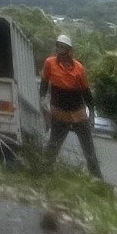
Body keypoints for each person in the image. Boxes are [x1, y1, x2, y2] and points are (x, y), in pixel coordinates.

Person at [39, 34, 104, 180]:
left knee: (89, 150)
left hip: (78, 113)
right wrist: (42, 100)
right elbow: (44, 83)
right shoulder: (50, 63)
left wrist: (92, 112)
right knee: (53, 146)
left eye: (63, 47)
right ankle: (43, 175)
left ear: (69, 50)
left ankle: (98, 180)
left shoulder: (79, 68)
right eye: (58, 46)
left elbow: (85, 92)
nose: (60, 50)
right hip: (59, 113)